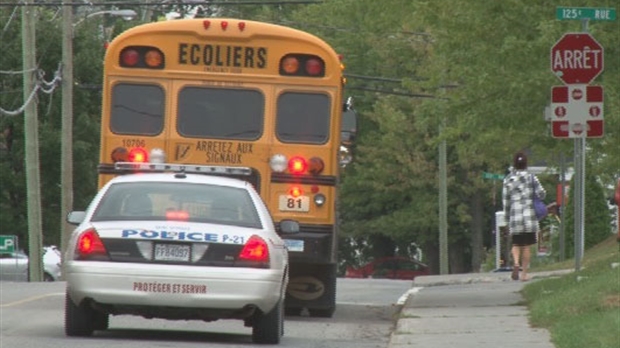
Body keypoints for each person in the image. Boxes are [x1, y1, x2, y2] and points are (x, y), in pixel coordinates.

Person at [502, 151, 546, 281]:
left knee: (516, 244)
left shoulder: (508, 179)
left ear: (514, 164)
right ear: (526, 163)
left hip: (515, 215)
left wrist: (507, 217)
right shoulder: (532, 178)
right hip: (529, 215)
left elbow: (506, 200)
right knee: (527, 245)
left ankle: (516, 263)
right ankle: (524, 274)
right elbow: (542, 193)